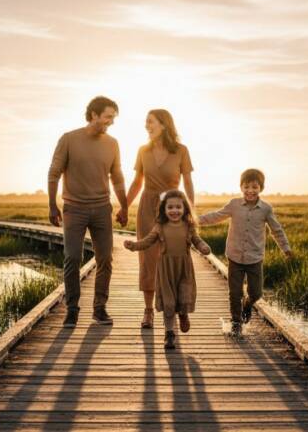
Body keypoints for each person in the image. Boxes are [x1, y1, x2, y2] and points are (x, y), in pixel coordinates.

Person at [48, 95, 129, 328]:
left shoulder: (112, 143)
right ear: (93, 115)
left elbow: (118, 177)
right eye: (108, 117)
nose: (111, 122)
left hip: (102, 209)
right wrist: (52, 205)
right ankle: (72, 309)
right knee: (72, 257)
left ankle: (99, 308)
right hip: (74, 208)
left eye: (113, 118)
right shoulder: (69, 139)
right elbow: (53, 173)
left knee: (105, 259)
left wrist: (123, 206)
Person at [198, 169, 293, 335]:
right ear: (241, 187)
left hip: (255, 258)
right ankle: (236, 322)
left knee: (256, 293)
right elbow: (217, 216)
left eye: (254, 187)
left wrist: (286, 249)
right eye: (247, 186)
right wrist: (195, 220)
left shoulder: (266, 209)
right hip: (235, 256)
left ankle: (248, 305)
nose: (250, 190)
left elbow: (276, 230)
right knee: (235, 292)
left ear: (261, 188)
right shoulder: (234, 204)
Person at [125, 109, 194, 329]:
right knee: (148, 260)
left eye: (150, 122)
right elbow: (137, 182)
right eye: (146, 122)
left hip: (173, 206)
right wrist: (124, 206)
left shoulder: (181, 150)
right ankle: (148, 311)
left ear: (164, 124)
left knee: (174, 256)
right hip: (147, 206)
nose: (146, 125)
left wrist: (189, 211)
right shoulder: (143, 151)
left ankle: (179, 308)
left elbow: (188, 182)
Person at [124, 190, 210, 350]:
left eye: (178, 207)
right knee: (169, 302)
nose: (174, 210)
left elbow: (197, 240)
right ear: (164, 209)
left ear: (185, 208)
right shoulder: (159, 227)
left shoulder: (189, 226)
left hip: (184, 270)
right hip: (165, 271)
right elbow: (147, 241)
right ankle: (169, 333)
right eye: (170, 207)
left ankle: (183, 313)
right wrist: (134, 246)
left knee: (184, 296)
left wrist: (203, 247)